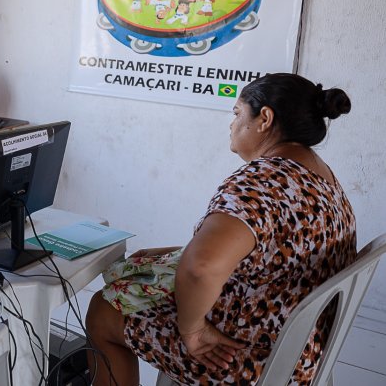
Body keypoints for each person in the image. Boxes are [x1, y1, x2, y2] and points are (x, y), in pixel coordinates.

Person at [86, 73, 356, 385]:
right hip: (300, 354)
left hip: (248, 360)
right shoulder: (320, 175)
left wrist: (193, 330)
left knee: (105, 310)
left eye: (237, 113)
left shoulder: (260, 182)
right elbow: (278, 250)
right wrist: (183, 251)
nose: (231, 124)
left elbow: (201, 268)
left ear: (264, 119)